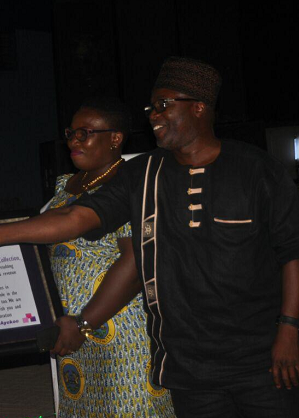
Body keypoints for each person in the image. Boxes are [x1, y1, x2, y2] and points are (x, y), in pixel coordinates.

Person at [0, 57, 299, 417]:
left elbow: (294, 250)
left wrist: (289, 329)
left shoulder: (256, 168)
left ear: (199, 108)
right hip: (189, 367)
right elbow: (74, 216)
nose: (153, 115)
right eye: (152, 107)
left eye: (164, 105)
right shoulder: (143, 174)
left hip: (262, 358)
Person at [45, 97, 174, 416]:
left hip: (119, 334)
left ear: (116, 138)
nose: (74, 140)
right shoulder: (65, 188)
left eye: (85, 132)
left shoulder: (130, 184)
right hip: (72, 333)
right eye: (71, 133)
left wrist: (85, 322)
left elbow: (134, 266)